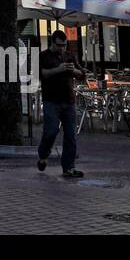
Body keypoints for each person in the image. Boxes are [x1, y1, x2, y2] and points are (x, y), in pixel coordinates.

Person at [37, 30, 85, 177]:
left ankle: (69, 167)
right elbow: (40, 74)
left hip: (69, 100)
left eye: (64, 45)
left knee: (71, 134)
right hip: (51, 100)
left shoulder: (70, 55)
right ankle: (43, 154)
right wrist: (58, 69)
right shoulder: (43, 56)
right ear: (53, 43)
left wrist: (75, 70)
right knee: (51, 131)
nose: (62, 48)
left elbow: (82, 75)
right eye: (59, 45)